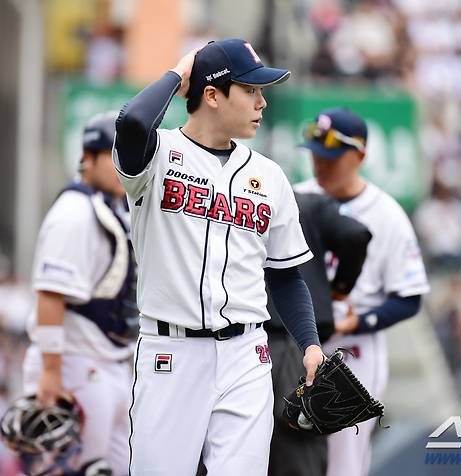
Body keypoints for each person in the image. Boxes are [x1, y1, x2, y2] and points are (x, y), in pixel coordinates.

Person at [113, 39, 325, 475]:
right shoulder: (158, 155)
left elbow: (285, 276)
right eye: (250, 90)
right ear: (212, 95)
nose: (262, 102)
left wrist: (309, 344)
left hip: (248, 356)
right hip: (170, 353)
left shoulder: (269, 175)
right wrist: (178, 73)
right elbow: (132, 121)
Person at [296, 108, 430, 476]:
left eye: (330, 157)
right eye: (315, 154)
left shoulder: (387, 214)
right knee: (286, 456)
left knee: (344, 464)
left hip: (352, 353)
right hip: (297, 346)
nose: (319, 164)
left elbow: (409, 298)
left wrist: (362, 320)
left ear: (360, 156)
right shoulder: (295, 199)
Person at [22, 111, 136, 475]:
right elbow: (50, 295)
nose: (123, 166)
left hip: (112, 363)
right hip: (75, 363)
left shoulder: (115, 208)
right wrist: (51, 373)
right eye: (113, 156)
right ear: (88, 157)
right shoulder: (74, 212)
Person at [266, 192, 372, 476]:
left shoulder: (230, 197)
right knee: (299, 447)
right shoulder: (310, 204)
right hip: (295, 345)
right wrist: (341, 285)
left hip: (235, 341)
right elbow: (355, 234)